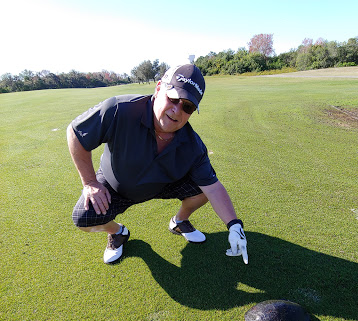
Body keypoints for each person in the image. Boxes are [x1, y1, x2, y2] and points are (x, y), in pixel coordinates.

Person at [67, 64, 248, 264]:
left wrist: (234, 226)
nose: (177, 110)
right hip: (116, 184)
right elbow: (75, 132)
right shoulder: (119, 110)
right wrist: (90, 182)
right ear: (159, 88)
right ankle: (118, 232)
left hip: (161, 184)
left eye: (187, 106)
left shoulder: (193, 145)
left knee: (202, 188)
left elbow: (213, 187)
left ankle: (179, 222)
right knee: (83, 219)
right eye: (173, 98)